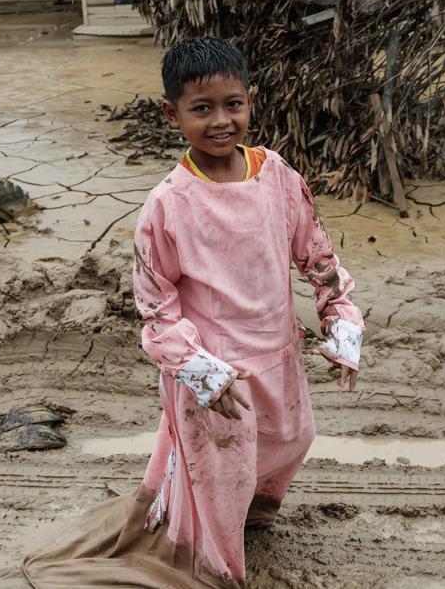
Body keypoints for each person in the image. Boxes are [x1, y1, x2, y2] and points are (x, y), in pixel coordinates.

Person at [23, 37, 365, 588]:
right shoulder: (168, 203)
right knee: (220, 471)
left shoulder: (276, 174)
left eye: (233, 104)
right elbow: (156, 308)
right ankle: (218, 565)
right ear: (172, 113)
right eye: (201, 109)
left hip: (277, 351)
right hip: (214, 370)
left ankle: (251, 512)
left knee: (289, 439)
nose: (221, 121)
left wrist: (340, 319)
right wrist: (200, 370)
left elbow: (317, 256)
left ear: (250, 100)